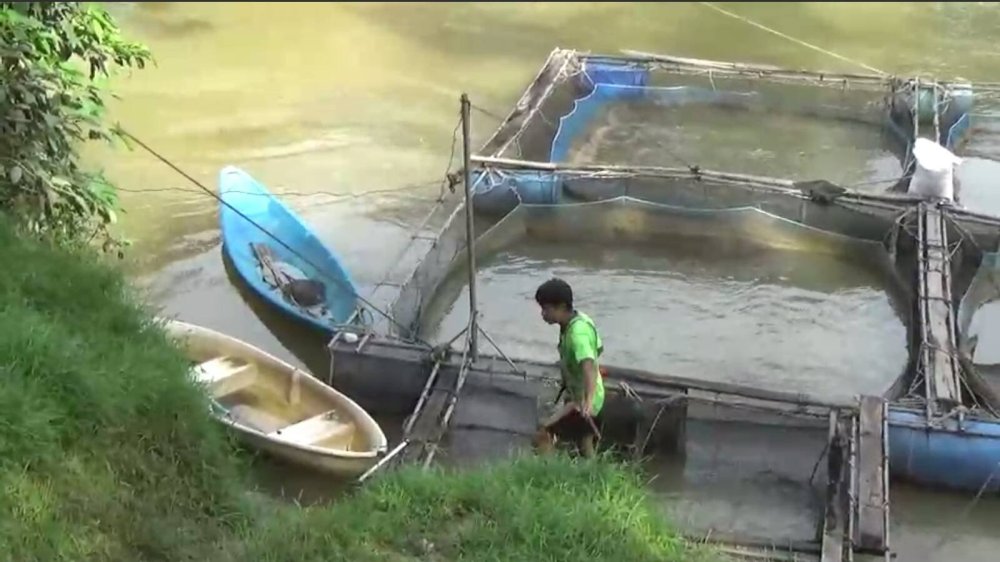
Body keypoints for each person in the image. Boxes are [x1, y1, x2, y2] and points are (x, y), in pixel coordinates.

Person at [532, 277, 605, 458]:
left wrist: (587, 401)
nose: (542, 314)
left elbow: (589, 365)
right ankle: (591, 469)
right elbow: (598, 349)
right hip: (587, 395)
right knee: (584, 441)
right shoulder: (579, 320)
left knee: (544, 432)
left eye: (546, 309)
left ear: (561, 307)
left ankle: (547, 469)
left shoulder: (577, 334)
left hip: (584, 402)